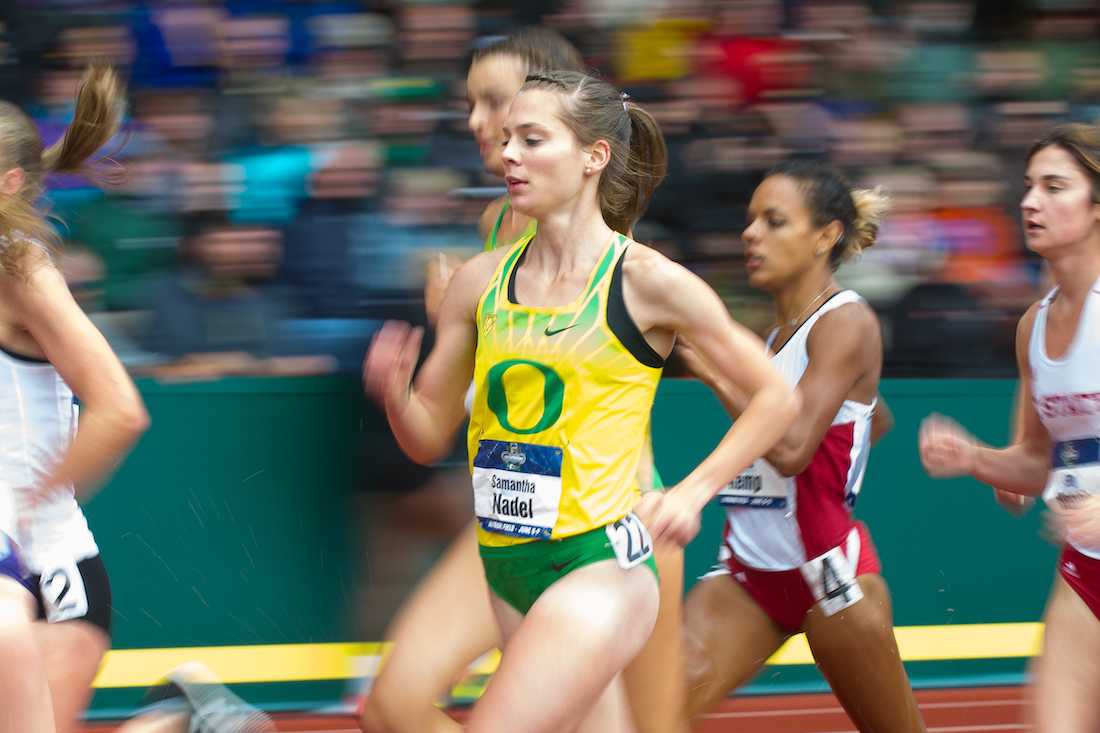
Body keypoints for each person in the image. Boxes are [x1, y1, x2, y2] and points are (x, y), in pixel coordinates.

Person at [364, 68, 797, 733]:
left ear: (594, 157)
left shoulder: (648, 281)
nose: (509, 154)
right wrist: (398, 399)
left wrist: (690, 492)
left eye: (532, 139)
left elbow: (775, 398)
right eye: (508, 139)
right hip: (507, 558)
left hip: (603, 563)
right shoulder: (479, 283)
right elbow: (427, 436)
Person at [0, 65, 270, 733]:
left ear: (6, 184)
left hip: (41, 576)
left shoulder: (22, 269)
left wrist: (32, 507)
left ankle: (182, 721)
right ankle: (183, 716)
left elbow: (121, 407)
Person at [675, 161, 925, 732]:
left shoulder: (847, 321)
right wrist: (851, 419)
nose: (750, 234)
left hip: (828, 578)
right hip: (746, 578)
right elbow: (874, 418)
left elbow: (789, 452)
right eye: (750, 221)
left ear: (825, 236)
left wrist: (714, 373)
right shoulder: (773, 337)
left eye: (773, 221)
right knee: (653, 712)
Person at [919, 123, 1100, 733]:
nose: (1029, 202)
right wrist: (973, 457)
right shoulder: (1033, 326)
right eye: (1028, 187)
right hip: (1085, 572)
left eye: (1054, 187)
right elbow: (1036, 462)